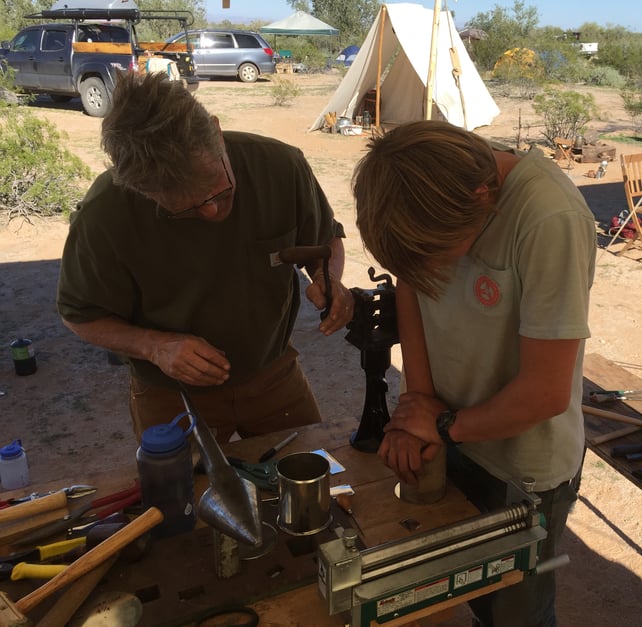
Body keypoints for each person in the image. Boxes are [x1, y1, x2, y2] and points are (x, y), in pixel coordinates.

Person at [352, 120, 596, 627]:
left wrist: (443, 426)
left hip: (524, 467)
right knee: (472, 594)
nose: (429, 268)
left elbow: (546, 393)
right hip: (452, 431)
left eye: (440, 254)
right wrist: (416, 406)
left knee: (515, 612)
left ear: (485, 199)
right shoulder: (433, 190)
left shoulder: (549, 217)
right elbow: (411, 288)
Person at [57, 71, 354, 443]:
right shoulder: (107, 212)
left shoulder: (280, 165)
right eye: (185, 210)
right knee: (180, 497)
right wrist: (155, 346)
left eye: (220, 191)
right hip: (171, 396)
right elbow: (79, 314)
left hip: (273, 376)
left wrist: (330, 278)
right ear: (141, 190)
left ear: (215, 131)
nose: (212, 212)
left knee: (308, 475)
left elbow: (324, 240)